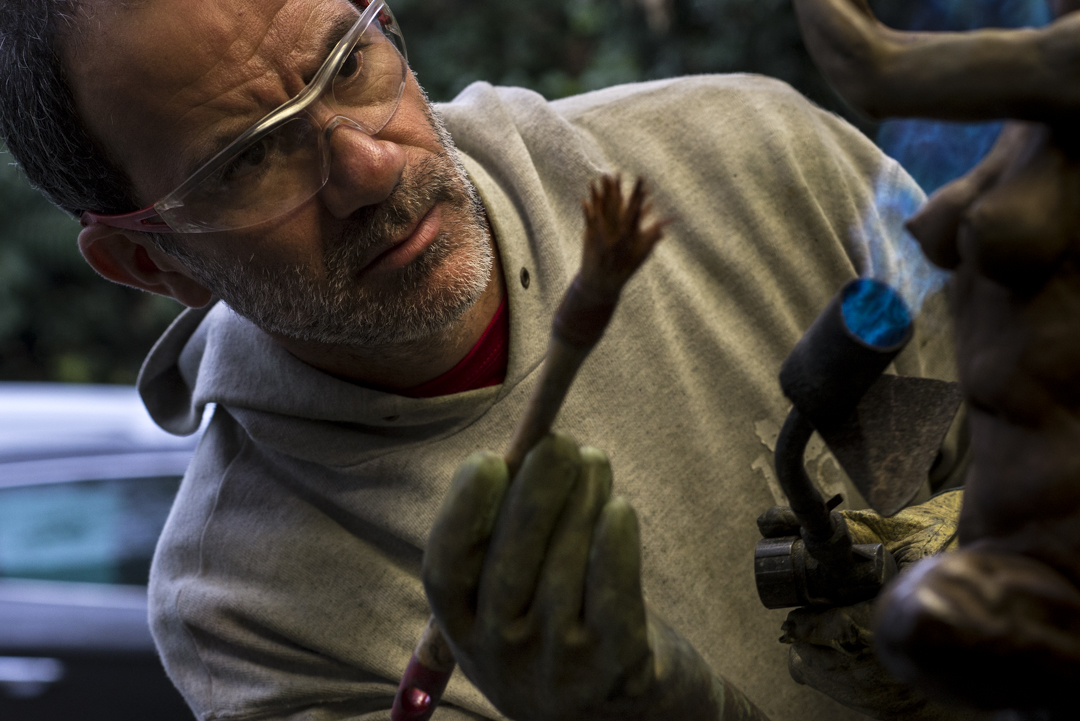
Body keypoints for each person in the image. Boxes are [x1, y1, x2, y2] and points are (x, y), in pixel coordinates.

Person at [0, 0, 967, 719]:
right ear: (148, 259)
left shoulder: (754, 161)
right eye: (251, 158)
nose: (369, 169)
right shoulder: (254, 614)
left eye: (347, 64)